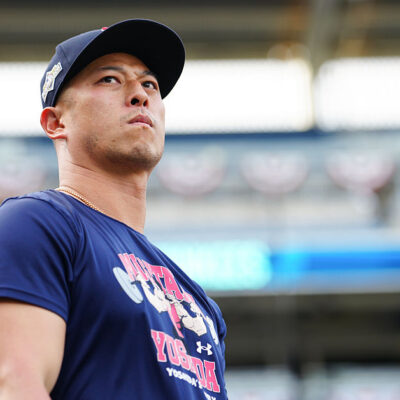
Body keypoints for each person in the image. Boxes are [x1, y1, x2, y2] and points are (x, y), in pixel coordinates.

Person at [0, 19, 228, 400]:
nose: (140, 95)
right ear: (56, 122)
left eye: (149, 84)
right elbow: (17, 384)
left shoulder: (199, 301)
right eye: (109, 79)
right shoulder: (37, 224)